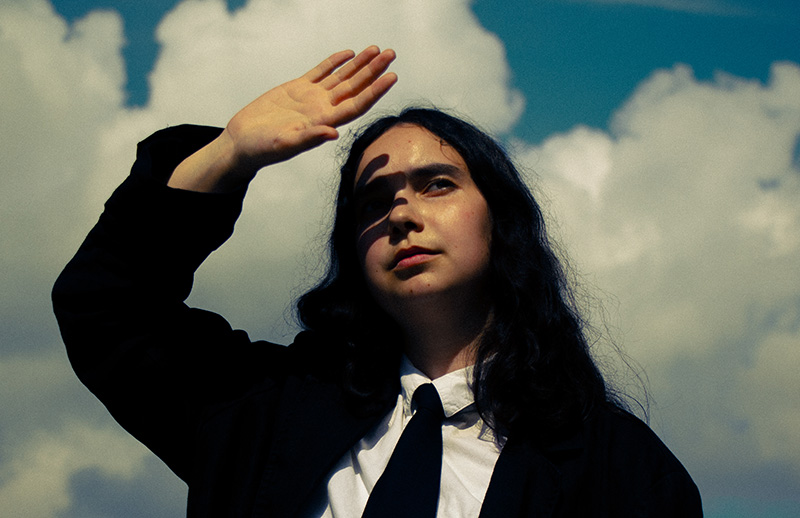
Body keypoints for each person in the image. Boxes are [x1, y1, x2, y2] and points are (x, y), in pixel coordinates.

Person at [53, 46, 702, 517]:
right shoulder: (263, 410)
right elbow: (107, 307)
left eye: (437, 185)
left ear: (499, 220)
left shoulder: (622, 471)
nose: (402, 214)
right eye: (374, 200)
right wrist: (231, 152)